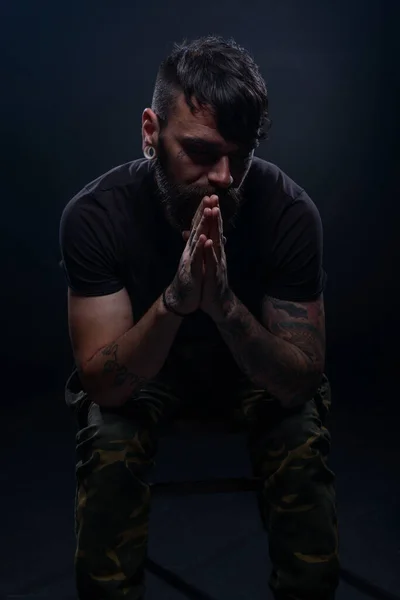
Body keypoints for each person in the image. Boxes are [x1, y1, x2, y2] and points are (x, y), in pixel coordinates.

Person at [59, 35, 339, 600]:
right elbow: (103, 385)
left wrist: (225, 308)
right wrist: (175, 304)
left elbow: (299, 378)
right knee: (108, 436)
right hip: (145, 380)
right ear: (149, 134)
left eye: (240, 156)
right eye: (202, 153)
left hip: (252, 378)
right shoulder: (96, 217)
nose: (223, 178)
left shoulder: (289, 213)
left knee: (301, 433)